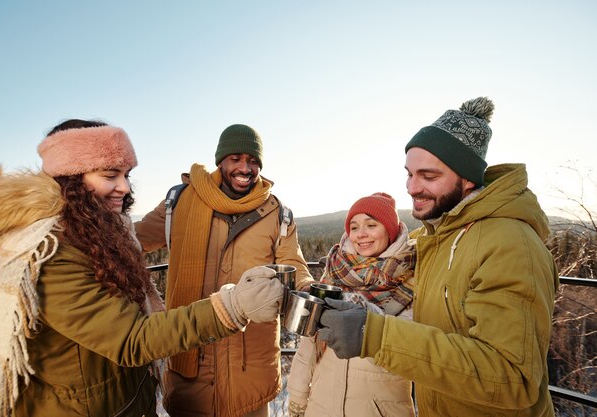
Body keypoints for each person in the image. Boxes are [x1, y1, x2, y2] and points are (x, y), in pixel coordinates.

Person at [0, 119, 284, 417]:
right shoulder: (50, 254)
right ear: (70, 178)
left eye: (126, 174)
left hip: (133, 398)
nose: (124, 187)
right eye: (110, 175)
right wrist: (233, 305)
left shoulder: (101, 231)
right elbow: (132, 339)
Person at [317, 97, 559, 416]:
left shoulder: (511, 244)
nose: (412, 188)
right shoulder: (432, 238)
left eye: (428, 176)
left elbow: (512, 377)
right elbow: (375, 255)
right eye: (410, 174)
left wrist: (373, 334)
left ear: (468, 177)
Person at [135, 123, 314, 417]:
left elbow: (294, 264)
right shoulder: (180, 203)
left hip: (250, 371)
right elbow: (132, 241)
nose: (245, 168)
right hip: (191, 365)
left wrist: (307, 288)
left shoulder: (276, 213)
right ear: (221, 160)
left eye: (253, 161)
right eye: (236, 159)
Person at [287, 192, 416, 417]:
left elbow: (414, 348)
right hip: (321, 405)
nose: (361, 234)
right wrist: (297, 397)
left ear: (390, 230)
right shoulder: (335, 274)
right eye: (354, 227)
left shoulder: (413, 278)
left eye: (371, 225)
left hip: (379, 407)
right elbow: (308, 346)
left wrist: (367, 318)